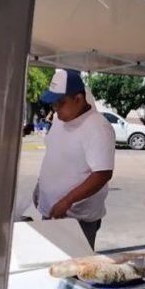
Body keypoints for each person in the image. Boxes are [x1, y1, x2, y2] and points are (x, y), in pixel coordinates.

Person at [34, 68, 115, 249]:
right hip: (51, 212)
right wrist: (40, 185)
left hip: (76, 219)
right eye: (53, 104)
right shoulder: (59, 119)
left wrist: (67, 201)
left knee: (73, 272)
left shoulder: (97, 127)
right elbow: (54, 155)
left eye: (60, 103)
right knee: (49, 269)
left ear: (78, 99)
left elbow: (102, 174)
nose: (55, 109)